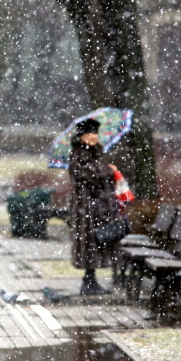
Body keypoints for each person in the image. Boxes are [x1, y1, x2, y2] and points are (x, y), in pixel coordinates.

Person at [68, 118, 118, 295]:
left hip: (94, 206)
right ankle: (89, 281)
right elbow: (91, 175)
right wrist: (109, 170)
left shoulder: (92, 153)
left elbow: (95, 173)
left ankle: (90, 280)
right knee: (89, 241)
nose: (93, 137)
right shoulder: (79, 154)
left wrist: (105, 169)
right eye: (90, 133)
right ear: (81, 136)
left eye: (95, 133)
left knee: (94, 241)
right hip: (86, 206)